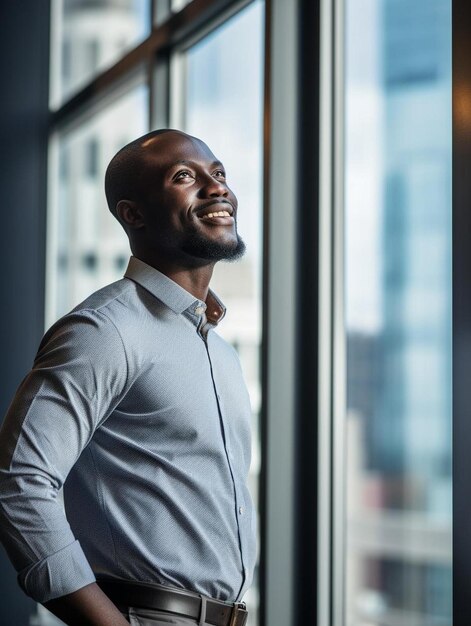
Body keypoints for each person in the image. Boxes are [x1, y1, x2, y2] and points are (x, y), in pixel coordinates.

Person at [0, 129, 256, 626]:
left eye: (219, 173)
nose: (217, 187)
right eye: (185, 177)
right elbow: (18, 482)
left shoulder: (220, 350)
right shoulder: (104, 329)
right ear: (133, 214)